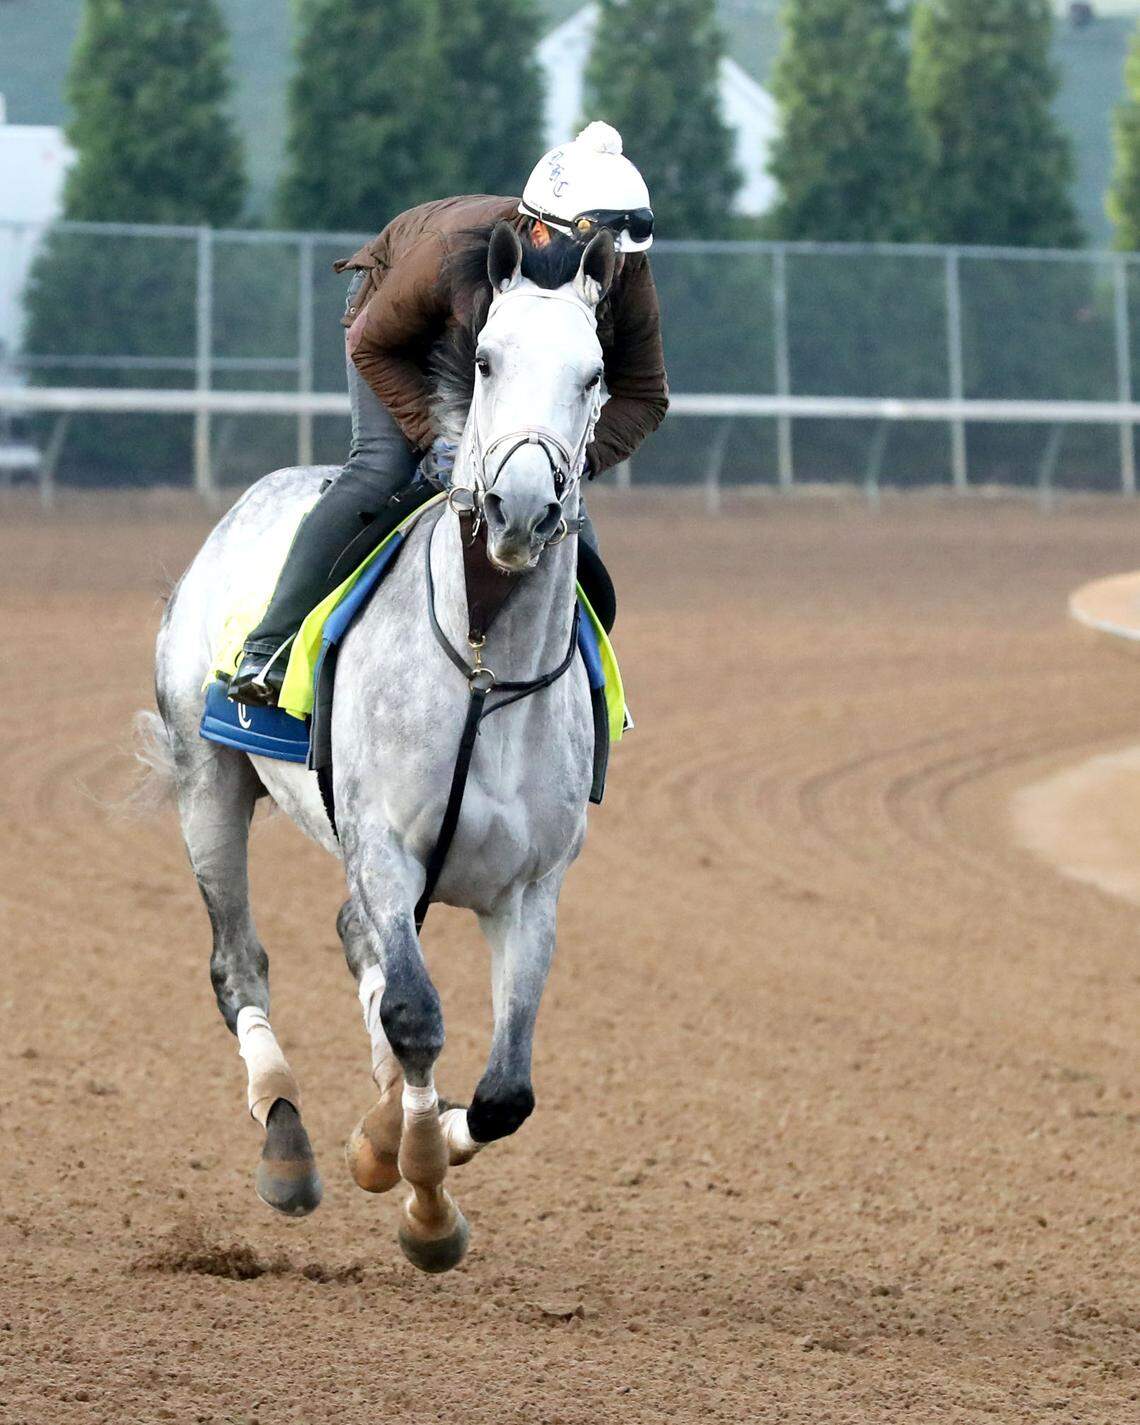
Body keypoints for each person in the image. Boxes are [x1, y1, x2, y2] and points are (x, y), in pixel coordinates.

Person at [229, 121, 669, 707]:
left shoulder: (621, 272)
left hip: (522, 372)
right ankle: (270, 645)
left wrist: (573, 460)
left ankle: (579, 701)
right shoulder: (452, 249)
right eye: (591, 251)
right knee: (381, 472)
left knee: (568, 522)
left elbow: (644, 392)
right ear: (537, 230)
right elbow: (372, 345)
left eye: (609, 254)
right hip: (404, 334)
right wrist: (434, 434)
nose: (605, 265)